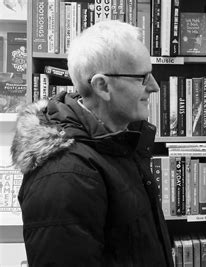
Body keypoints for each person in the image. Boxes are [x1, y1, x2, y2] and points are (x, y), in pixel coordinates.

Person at [11, 20, 173, 266]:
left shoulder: (118, 142)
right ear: (102, 86)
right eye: (142, 77)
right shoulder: (65, 176)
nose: (154, 87)